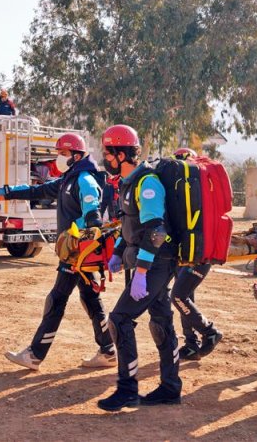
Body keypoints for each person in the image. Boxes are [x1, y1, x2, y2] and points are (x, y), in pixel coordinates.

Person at [0, 133, 115, 370]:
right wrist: (8, 192)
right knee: (90, 298)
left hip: (78, 252)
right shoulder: (68, 179)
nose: (59, 158)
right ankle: (108, 350)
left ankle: (35, 355)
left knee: (57, 299)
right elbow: (39, 191)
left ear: (76, 156)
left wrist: (86, 235)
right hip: (77, 252)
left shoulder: (84, 179)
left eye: (63, 154)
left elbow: (93, 214)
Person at [96, 124, 182, 412]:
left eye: (108, 153)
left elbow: (156, 231)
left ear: (121, 154)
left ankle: (127, 389)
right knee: (161, 320)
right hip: (147, 261)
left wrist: (142, 272)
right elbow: (130, 224)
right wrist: (120, 252)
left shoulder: (148, 183)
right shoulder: (128, 183)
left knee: (119, 320)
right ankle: (170, 388)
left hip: (157, 262)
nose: (104, 158)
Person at [169, 147, 223, 361]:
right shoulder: (180, 193)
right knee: (186, 297)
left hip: (199, 253)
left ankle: (209, 331)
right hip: (183, 252)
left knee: (178, 296)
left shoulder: (200, 194)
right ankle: (191, 344)